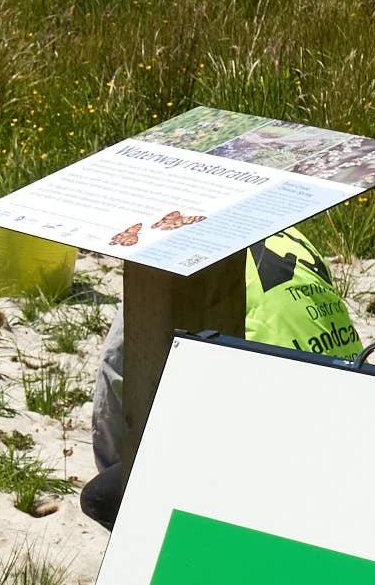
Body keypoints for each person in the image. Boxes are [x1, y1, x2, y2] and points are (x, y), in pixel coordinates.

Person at [81, 227, 360, 529]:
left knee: (101, 496)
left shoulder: (182, 249)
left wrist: (118, 470)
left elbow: (114, 369)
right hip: (350, 412)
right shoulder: (293, 235)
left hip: (278, 436)